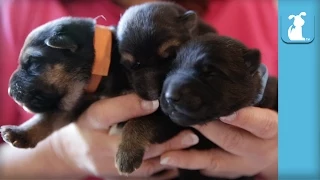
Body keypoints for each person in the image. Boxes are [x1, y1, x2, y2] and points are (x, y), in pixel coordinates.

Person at [0, 0, 278, 180]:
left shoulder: (260, 6)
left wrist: (278, 159)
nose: (152, 86)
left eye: (170, 57)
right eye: (132, 67)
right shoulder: (18, 9)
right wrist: (61, 153)